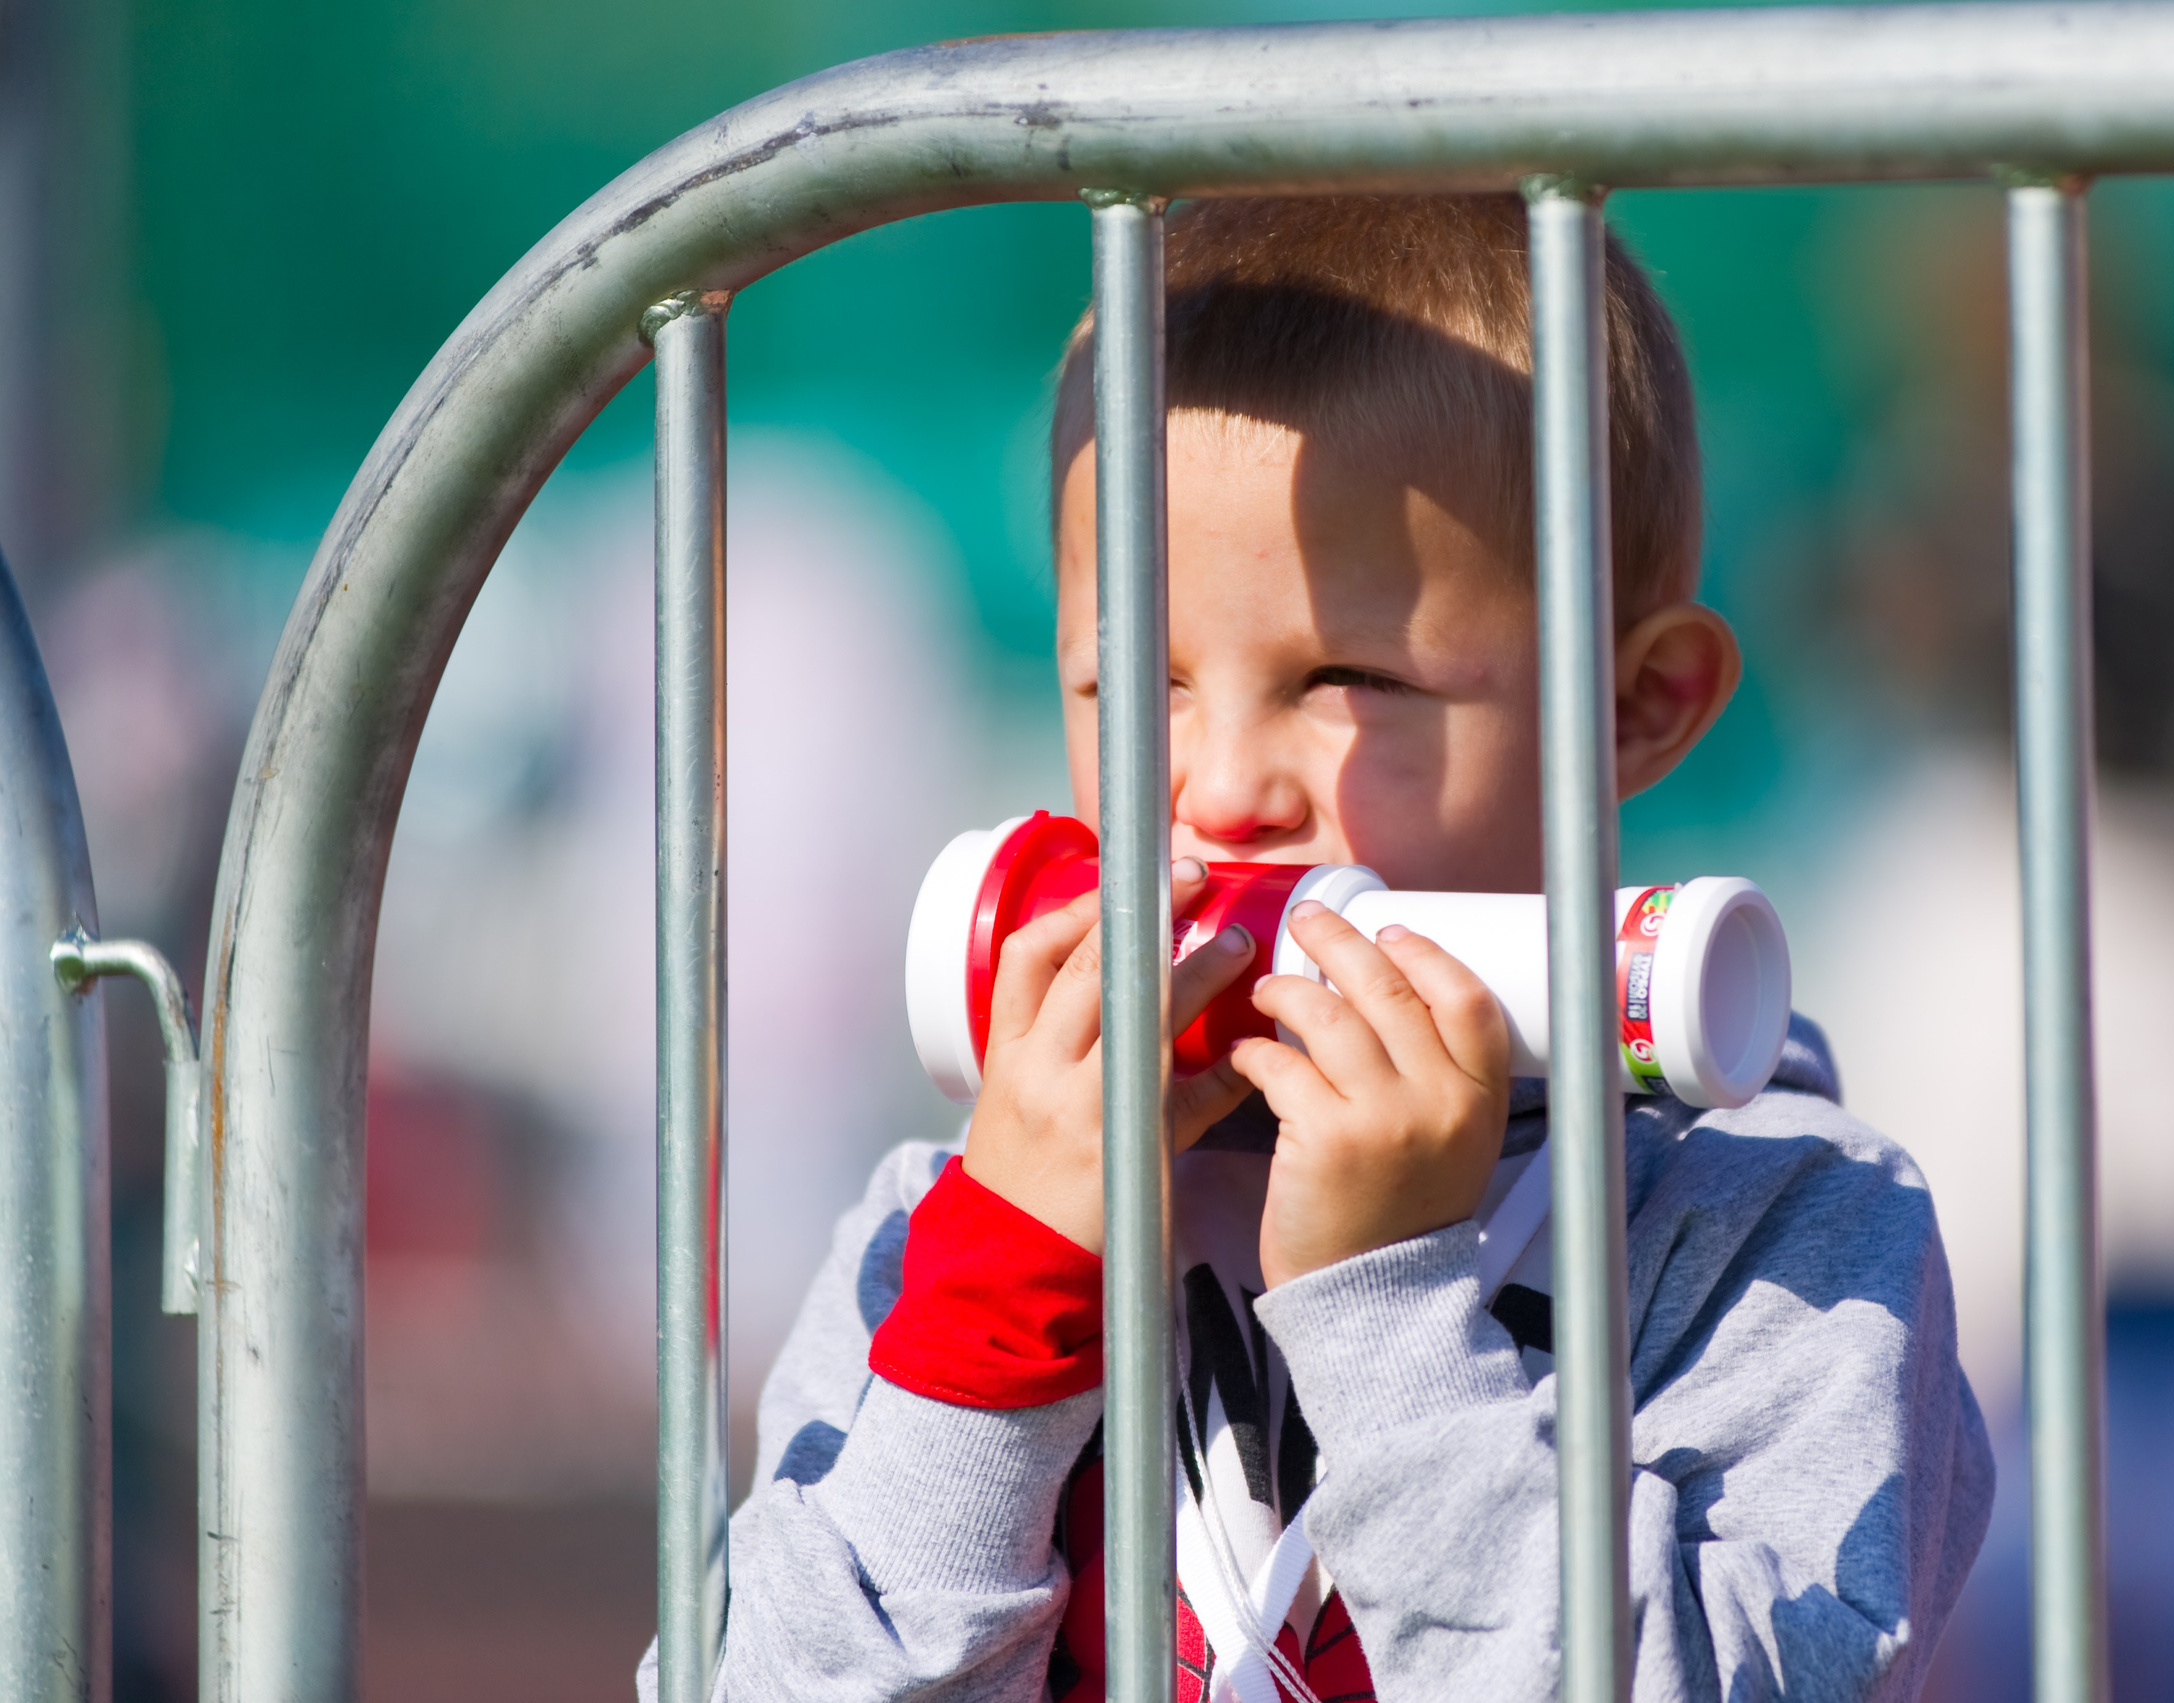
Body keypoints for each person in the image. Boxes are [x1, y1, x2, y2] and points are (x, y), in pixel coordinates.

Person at [641, 195, 1992, 1703]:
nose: (1221, 790)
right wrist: (990, 1319)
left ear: (1636, 706)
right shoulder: (946, 1231)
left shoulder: (1776, 1238)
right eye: (1132, 683)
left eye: (1346, 677)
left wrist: (1390, 1318)